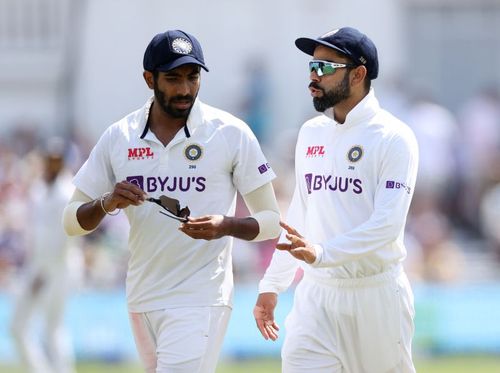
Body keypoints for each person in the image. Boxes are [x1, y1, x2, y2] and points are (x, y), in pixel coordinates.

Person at [62, 29, 281, 373]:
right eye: (173, 78)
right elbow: (71, 221)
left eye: (192, 77)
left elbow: (271, 222)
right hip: (142, 295)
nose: (184, 89)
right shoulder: (119, 136)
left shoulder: (230, 132)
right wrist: (107, 202)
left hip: (201, 296)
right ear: (149, 78)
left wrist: (224, 226)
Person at [254, 27, 419, 373]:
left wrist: (322, 253)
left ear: (359, 74)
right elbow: (299, 213)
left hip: (374, 296)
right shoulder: (311, 132)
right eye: (312, 66)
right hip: (316, 296)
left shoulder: (394, 137)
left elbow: (386, 226)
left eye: (327, 67)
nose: (314, 75)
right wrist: (273, 284)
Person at [11, 137, 81, 373]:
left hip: (57, 268)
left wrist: (43, 272)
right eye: (49, 159)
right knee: (18, 327)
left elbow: (65, 239)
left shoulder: (67, 192)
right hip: (37, 265)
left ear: (63, 162)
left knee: (53, 328)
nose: (52, 164)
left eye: (57, 160)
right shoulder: (39, 190)